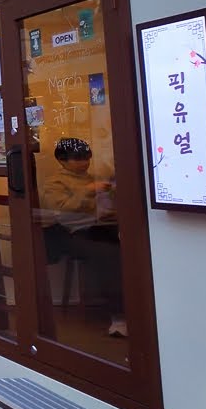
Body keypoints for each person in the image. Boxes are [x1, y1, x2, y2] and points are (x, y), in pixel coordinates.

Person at [38, 137, 126, 337]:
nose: (84, 162)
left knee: (132, 246)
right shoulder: (54, 183)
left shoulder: (93, 179)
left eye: (86, 157)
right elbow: (62, 211)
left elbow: (102, 208)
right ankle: (119, 316)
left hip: (97, 228)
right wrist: (88, 191)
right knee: (109, 254)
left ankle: (139, 306)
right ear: (62, 160)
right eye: (77, 158)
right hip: (67, 234)